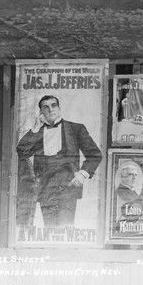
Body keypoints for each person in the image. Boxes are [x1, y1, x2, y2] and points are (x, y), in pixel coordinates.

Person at [16, 95, 102, 228]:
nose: (50, 110)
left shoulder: (76, 129)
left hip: (68, 187)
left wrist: (82, 174)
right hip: (45, 188)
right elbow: (22, 152)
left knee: (65, 228)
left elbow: (95, 154)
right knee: (50, 229)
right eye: (46, 107)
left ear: (59, 108)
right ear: (41, 112)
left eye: (53, 105)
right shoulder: (37, 132)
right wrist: (35, 128)